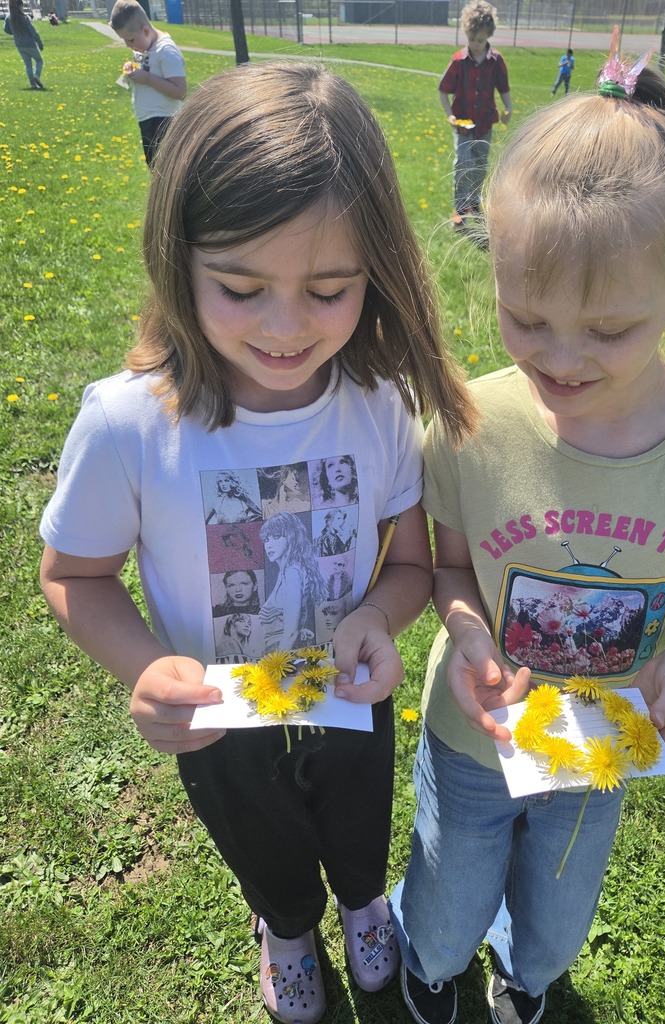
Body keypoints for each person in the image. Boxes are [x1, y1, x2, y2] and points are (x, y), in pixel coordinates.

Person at [39, 61, 476, 1024]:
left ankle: (364, 908)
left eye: (329, 289)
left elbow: (410, 562)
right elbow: (73, 573)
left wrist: (374, 615)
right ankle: (285, 928)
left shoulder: (383, 405)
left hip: (350, 700)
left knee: (360, 839)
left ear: (377, 272)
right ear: (176, 259)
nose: (286, 328)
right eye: (240, 287)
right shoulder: (128, 424)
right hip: (218, 721)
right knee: (263, 849)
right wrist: (148, 668)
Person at [391, 40, 665, 1024]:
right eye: (526, 317)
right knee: (443, 903)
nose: (560, 356)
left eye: (606, 330)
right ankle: (434, 969)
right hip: (475, 735)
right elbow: (453, 564)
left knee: (557, 922)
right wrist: (469, 630)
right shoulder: (470, 418)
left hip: (600, 747)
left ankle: (526, 975)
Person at [438, 0, 511, 231]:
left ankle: (474, 203)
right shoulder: (459, 62)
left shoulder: (496, 61)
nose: (475, 44)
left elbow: (504, 89)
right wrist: (450, 115)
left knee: (479, 166)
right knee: (463, 166)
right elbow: (443, 91)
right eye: (471, 39)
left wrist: (508, 108)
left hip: (485, 125)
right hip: (463, 125)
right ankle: (460, 209)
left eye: (480, 40)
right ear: (466, 34)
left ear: (489, 35)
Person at [109, 0, 186, 168]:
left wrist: (148, 79)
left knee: (165, 169)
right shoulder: (144, 47)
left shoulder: (166, 51)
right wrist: (132, 70)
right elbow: (147, 69)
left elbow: (180, 91)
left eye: (130, 39)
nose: (128, 45)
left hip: (164, 120)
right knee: (154, 167)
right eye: (124, 41)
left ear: (145, 30)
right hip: (147, 119)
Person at [259, 512, 327, 652]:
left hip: (279, 658)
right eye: (267, 539)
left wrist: (276, 668)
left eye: (276, 537)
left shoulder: (292, 573)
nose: (269, 545)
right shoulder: (287, 571)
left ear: (291, 538)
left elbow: (290, 633)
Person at [4, 0, 45, 91]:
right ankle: (36, 76)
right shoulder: (25, 18)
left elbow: (6, 30)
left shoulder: (8, 17)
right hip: (30, 44)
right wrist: (40, 43)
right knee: (39, 61)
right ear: (20, 6)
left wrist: (14, 32)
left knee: (28, 65)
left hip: (19, 45)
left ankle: (32, 84)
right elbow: (33, 32)